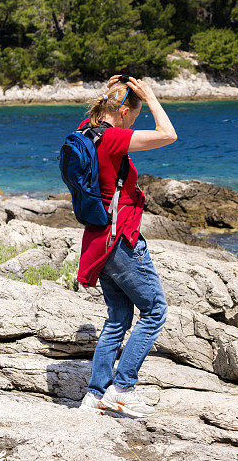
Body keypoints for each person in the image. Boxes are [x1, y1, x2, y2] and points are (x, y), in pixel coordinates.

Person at [76, 75, 177, 417]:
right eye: (133, 116)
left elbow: (98, 112)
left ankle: (95, 394)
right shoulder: (114, 139)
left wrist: (107, 91)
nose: (135, 122)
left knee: (118, 317)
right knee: (155, 310)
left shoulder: (86, 132)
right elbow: (168, 134)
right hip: (121, 239)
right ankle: (123, 388)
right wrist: (150, 96)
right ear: (121, 113)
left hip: (99, 238)